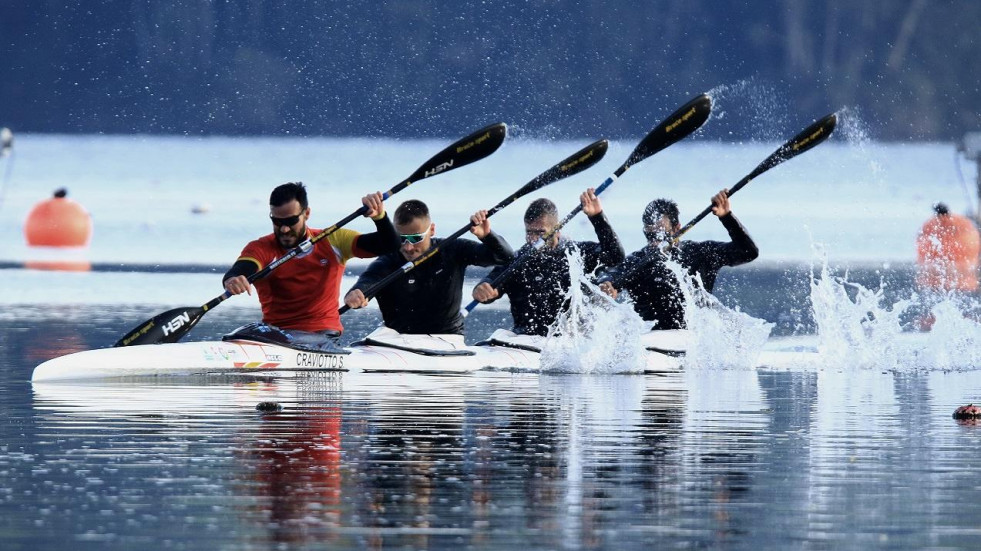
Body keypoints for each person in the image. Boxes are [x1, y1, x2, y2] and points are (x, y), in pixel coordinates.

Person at [221, 182, 399, 347]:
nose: (284, 229)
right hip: (275, 336)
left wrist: (380, 217)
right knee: (243, 334)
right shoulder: (261, 247)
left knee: (261, 335)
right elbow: (241, 269)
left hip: (322, 336)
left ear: (306, 214)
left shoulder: (334, 240)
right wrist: (233, 280)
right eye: (277, 221)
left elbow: (390, 246)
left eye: (290, 221)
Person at [343, 199, 514, 335]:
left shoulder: (453, 249)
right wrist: (356, 294)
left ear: (431, 230)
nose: (408, 247)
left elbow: (505, 257)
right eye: (402, 239)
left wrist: (488, 236)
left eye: (416, 238)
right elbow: (368, 281)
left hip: (446, 338)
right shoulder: (389, 260)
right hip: (395, 340)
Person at [471, 188, 625, 336]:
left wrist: (597, 217)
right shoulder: (517, 260)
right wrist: (482, 289)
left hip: (571, 341)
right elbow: (492, 286)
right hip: (524, 340)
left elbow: (615, 256)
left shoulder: (577, 253)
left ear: (557, 230)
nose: (534, 239)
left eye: (540, 233)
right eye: (529, 232)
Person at [598, 189, 758, 330]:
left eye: (661, 234)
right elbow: (609, 273)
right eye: (650, 234)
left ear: (677, 228)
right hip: (653, 339)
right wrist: (607, 284)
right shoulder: (637, 261)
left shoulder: (701, 253)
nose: (655, 241)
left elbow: (748, 252)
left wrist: (726, 217)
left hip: (695, 339)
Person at [913, 202, 981, 330]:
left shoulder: (930, 226)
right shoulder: (964, 225)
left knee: (932, 317)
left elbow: (922, 252)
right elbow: (973, 246)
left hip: (933, 283)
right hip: (966, 282)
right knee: (967, 316)